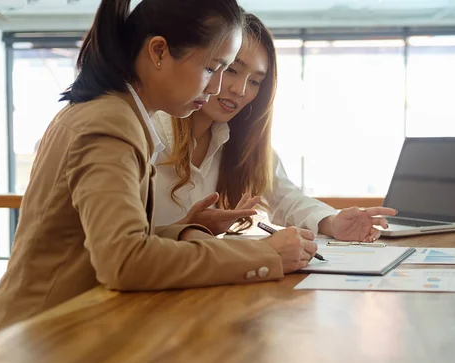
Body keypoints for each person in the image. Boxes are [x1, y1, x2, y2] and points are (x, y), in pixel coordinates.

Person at [0, 0, 317, 332]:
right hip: (36, 341)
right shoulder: (110, 124)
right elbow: (124, 262)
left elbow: (101, 246)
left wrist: (185, 228)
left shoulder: (117, 114)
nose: (218, 88)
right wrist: (264, 256)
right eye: (212, 69)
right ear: (159, 51)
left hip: (60, 330)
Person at [153, 13, 396, 242]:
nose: (241, 89)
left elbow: (287, 199)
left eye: (255, 81)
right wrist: (187, 229)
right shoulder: (148, 132)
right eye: (231, 70)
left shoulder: (243, 145)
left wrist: (333, 222)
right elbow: (123, 242)